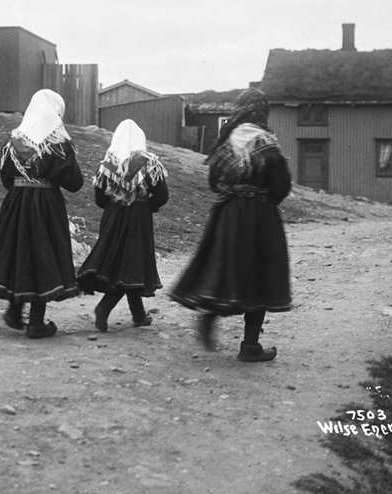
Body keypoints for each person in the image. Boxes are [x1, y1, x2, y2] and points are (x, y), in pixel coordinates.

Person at [168, 88, 292, 362]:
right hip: (260, 216)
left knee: (228, 269)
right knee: (260, 276)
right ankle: (249, 346)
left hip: (228, 215)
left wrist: (235, 193)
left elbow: (214, 182)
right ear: (263, 112)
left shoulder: (225, 144)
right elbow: (282, 186)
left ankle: (210, 315)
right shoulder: (267, 142)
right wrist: (262, 198)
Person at [0, 89, 83, 338]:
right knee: (43, 257)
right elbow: (75, 183)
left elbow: (6, 177)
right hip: (46, 206)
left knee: (19, 252)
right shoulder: (58, 146)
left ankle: (15, 311)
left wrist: (22, 188)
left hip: (16, 205)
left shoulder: (12, 143)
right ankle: (36, 321)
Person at [77, 119, 168, 332]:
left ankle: (138, 315)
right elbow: (162, 195)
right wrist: (148, 205)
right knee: (131, 264)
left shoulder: (107, 164)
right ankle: (104, 308)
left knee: (120, 263)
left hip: (113, 216)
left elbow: (99, 198)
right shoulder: (149, 163)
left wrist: (114, 205)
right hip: (139, 217)